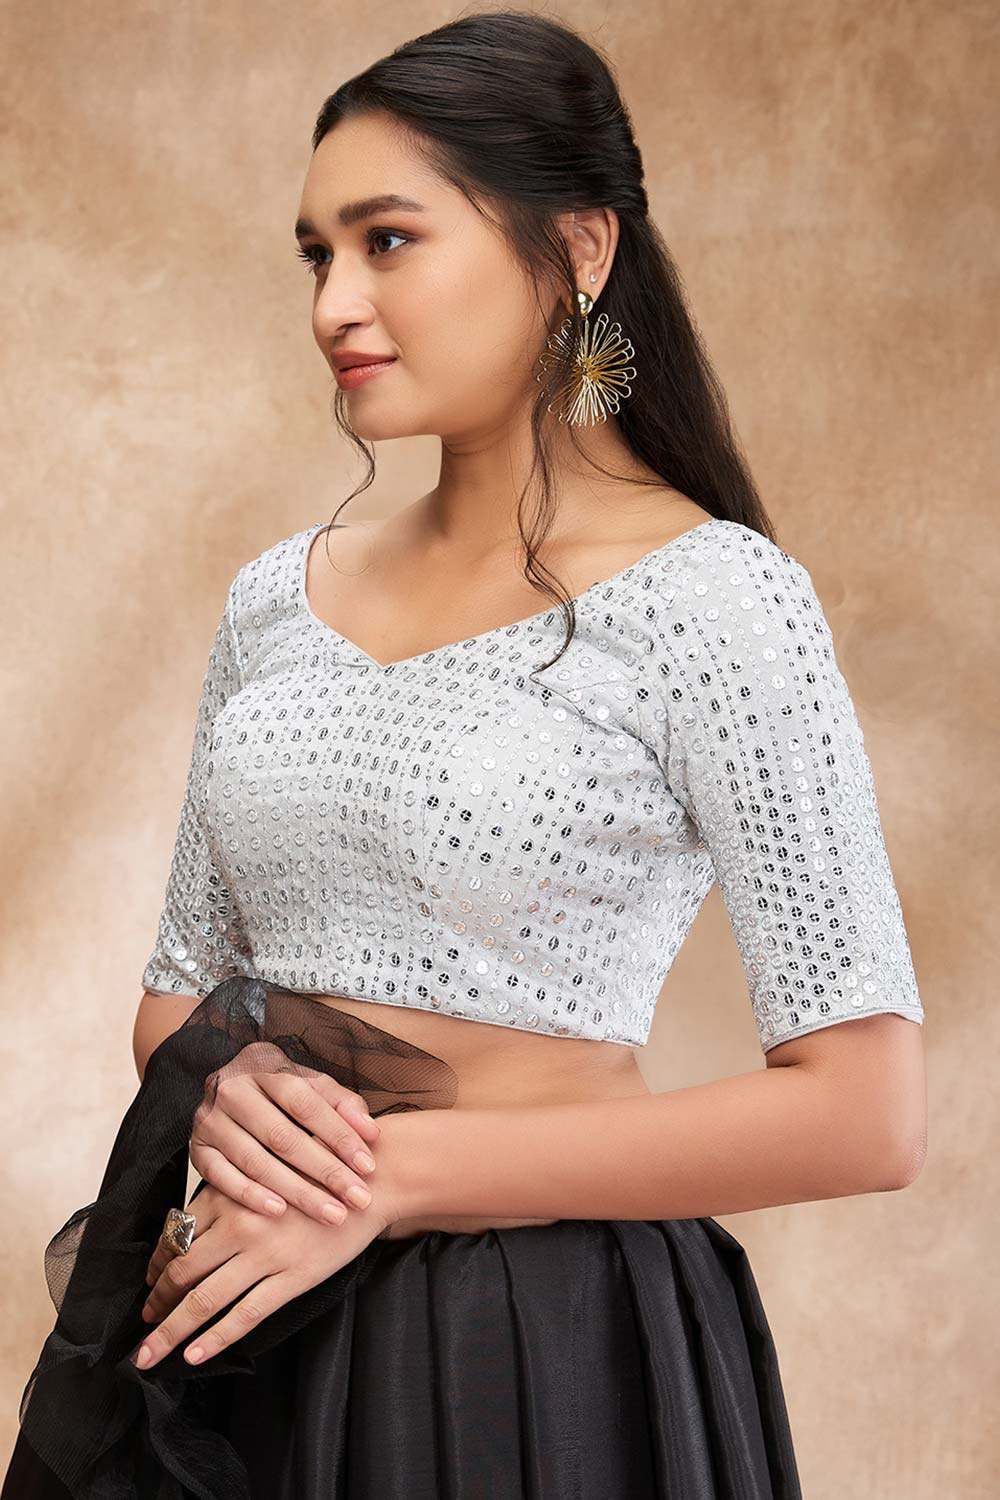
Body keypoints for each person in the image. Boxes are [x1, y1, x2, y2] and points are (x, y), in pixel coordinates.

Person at [3, 11, 927, 1498]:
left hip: (536, 1345)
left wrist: (392, 1178)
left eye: (388, 241)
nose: (335, 304)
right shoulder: (276, 598)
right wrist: (231, 1100)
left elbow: (865, 1113)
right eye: (316, 254)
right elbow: (182, 987)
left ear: (577, 250)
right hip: (249, 1327)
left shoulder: (715, 600)